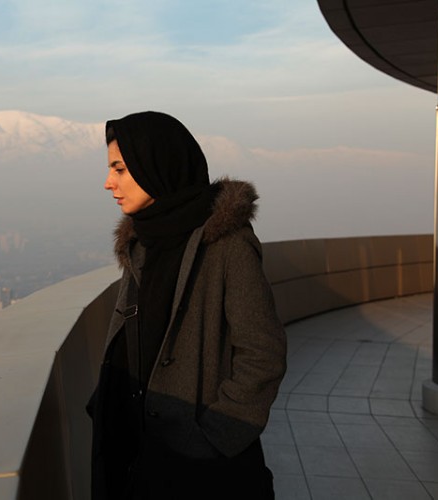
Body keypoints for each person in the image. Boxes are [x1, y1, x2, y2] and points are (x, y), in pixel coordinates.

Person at [87, 111, 287, 499]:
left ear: (158, 166)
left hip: (199, 466)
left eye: (120, 169)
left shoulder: (227, 244)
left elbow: (263, 353)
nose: (109, 182)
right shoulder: (142, 241)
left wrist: (215, 436)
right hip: (136, 451)